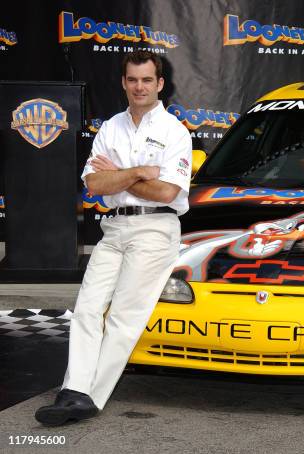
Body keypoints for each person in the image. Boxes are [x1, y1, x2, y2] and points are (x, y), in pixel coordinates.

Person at [35, 50, 192, 426]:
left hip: (155, 229)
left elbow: (167, 193)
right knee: (87, 308)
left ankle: (89, 397)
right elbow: (93, 183)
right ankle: (73, 389)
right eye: (133, 80)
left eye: (147, 80)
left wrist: (118, 176)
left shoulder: (174, 132)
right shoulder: (111, 128)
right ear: (124, 83)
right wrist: (137, 171)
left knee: (123, 316)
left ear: (160, 84)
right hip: (114, 227)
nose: (140, 87)